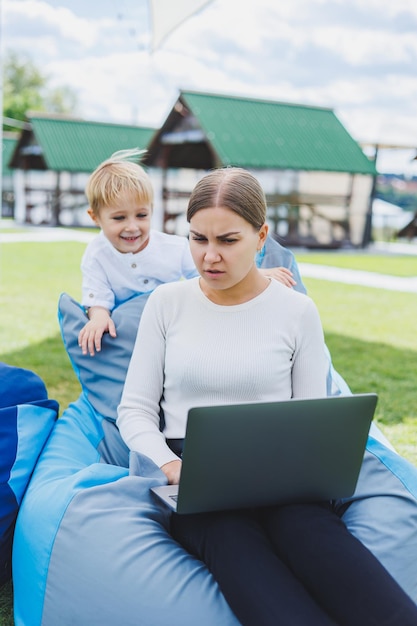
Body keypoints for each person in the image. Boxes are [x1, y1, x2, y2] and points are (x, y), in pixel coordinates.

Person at [117, 167, 417, 626]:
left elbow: (312, 416)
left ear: (261, 237)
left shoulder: (296, 311)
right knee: (237, 549)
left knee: (314, 536)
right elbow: (135, 410)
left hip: (282, 473)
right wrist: (173, 466)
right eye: (198, 239)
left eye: (227, 240)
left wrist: (305, 474)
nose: (209, 257)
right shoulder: (167, 303)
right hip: (193, 474)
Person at [78, 150, 296, 356]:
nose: (132, 226)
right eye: (119, 218)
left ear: (152, 210)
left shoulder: (172, 247)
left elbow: (204, 274)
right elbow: (97, 293)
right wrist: (99, 317)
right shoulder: (96, 254)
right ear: (95, 217)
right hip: (128, 332)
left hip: (167, 325)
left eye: (141, 215)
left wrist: (258, 273)